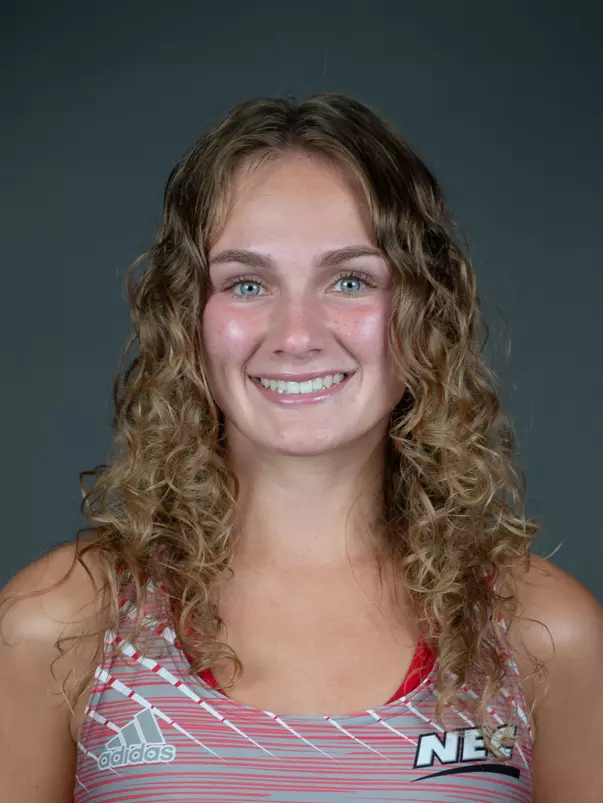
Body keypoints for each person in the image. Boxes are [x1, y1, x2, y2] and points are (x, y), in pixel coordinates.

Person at [1, 93, 601, 803]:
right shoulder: (62, 623)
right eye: (246, 283)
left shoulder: (539, 632)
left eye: (349, 280)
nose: (296, 335)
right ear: (187, 318)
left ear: (424, 311)